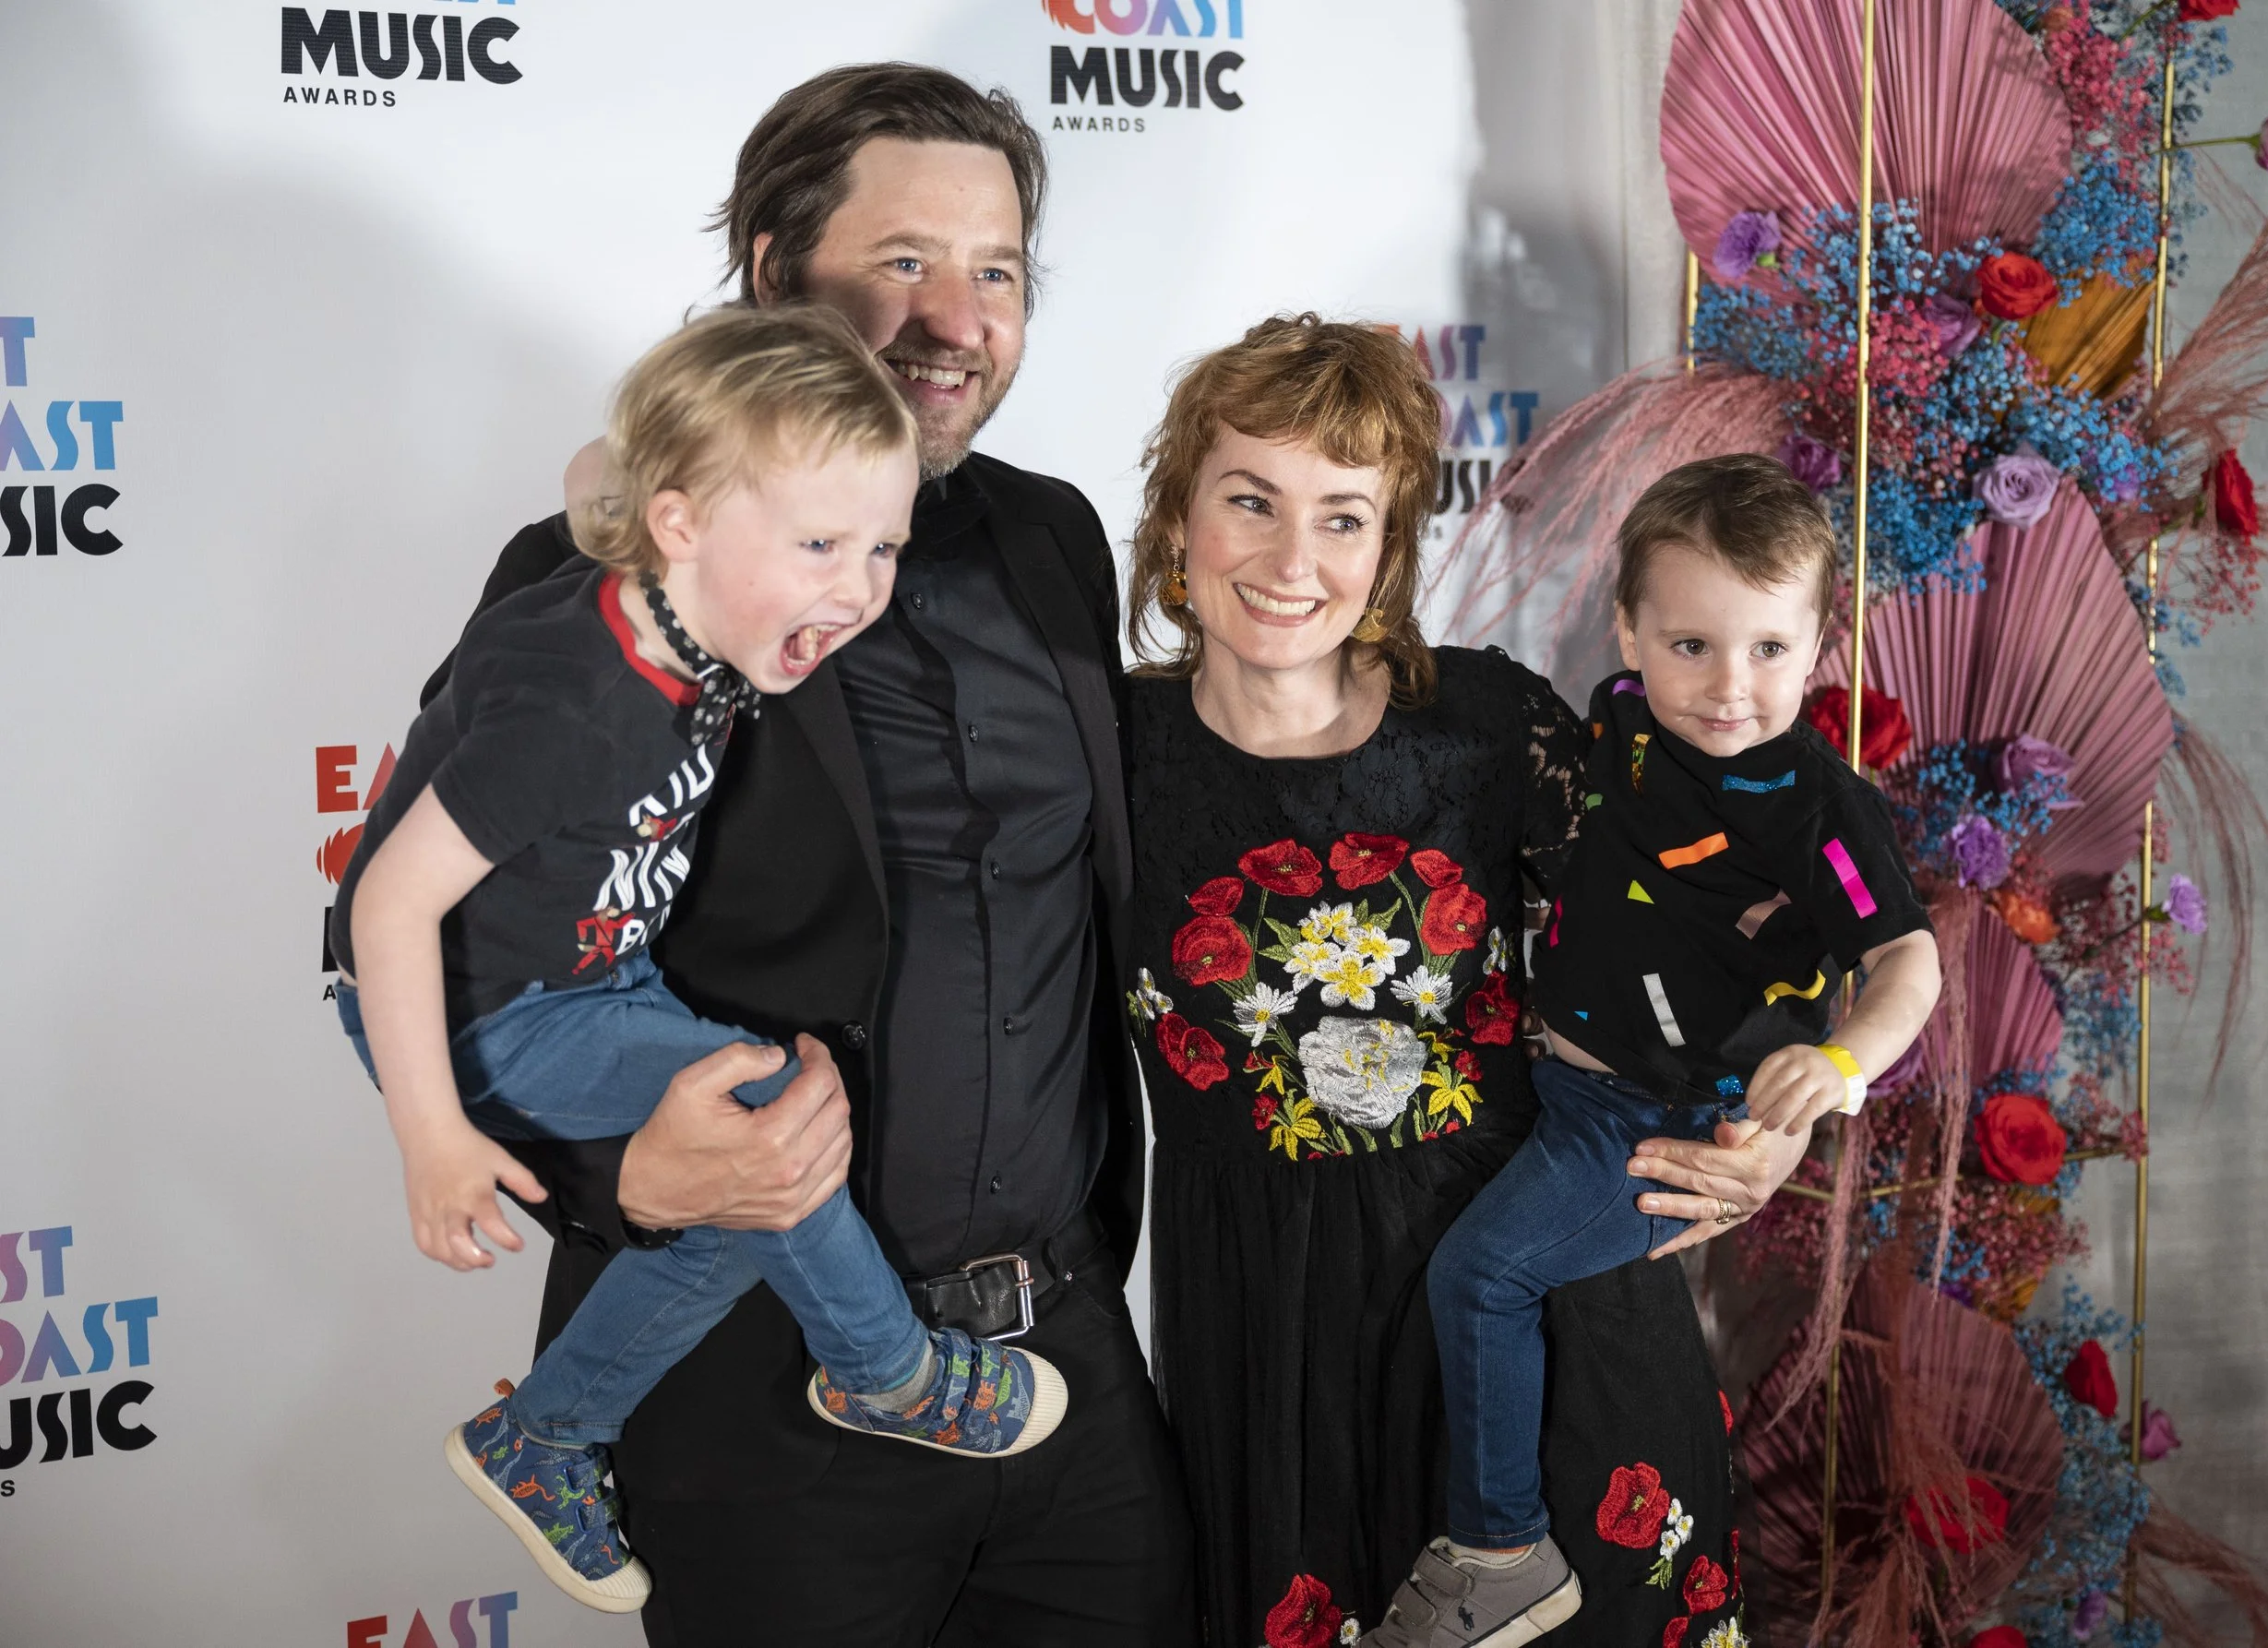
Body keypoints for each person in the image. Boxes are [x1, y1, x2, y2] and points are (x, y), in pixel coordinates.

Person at [420, 66, 1192, 1643]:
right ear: (775, 268)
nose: (956, 318)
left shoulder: (1055, 536)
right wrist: (616, 1172)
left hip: (1061, 1368)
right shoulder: (621, 570)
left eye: (997, 272)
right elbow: (433, 943)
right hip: (758, 1384)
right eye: (903, 261)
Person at [333, 306, 1074, 1616]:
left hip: (594, 970)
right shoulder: (576, 703)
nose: (856, 587)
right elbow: (388, 908)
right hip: (485, 1005)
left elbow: (598, 478)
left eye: (883, 545)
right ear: (679, 527)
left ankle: (545, 1435)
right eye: (820, 545)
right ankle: (889, 1369)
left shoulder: (695, 593)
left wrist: (719, 484)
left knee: (741, 1192)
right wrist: (432, 1135)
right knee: (769, 1123)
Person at [1120, 317, 1808, 1648]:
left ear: (1387, 547)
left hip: (1538, 1315)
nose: (1291, 559)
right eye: (1250, 500)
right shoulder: (1107, 747)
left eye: (1343, 516)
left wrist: (1764, 1134)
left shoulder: (1488, 724)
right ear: (1177, 514)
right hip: (1272, 1349)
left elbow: (1714, 936)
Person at [1366, 454, 1943, 1645]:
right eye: (1692, 645)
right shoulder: (1622, 723)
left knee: (1478, 1278)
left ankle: (1501, 1551)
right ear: (1629, 630)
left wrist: (1837, 1069)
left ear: (1820, 646)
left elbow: (1907, 964)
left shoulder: (1813, 808)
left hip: (1652, 1117)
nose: (1730, 688)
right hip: (1561, 1084)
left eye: (1769, 651)